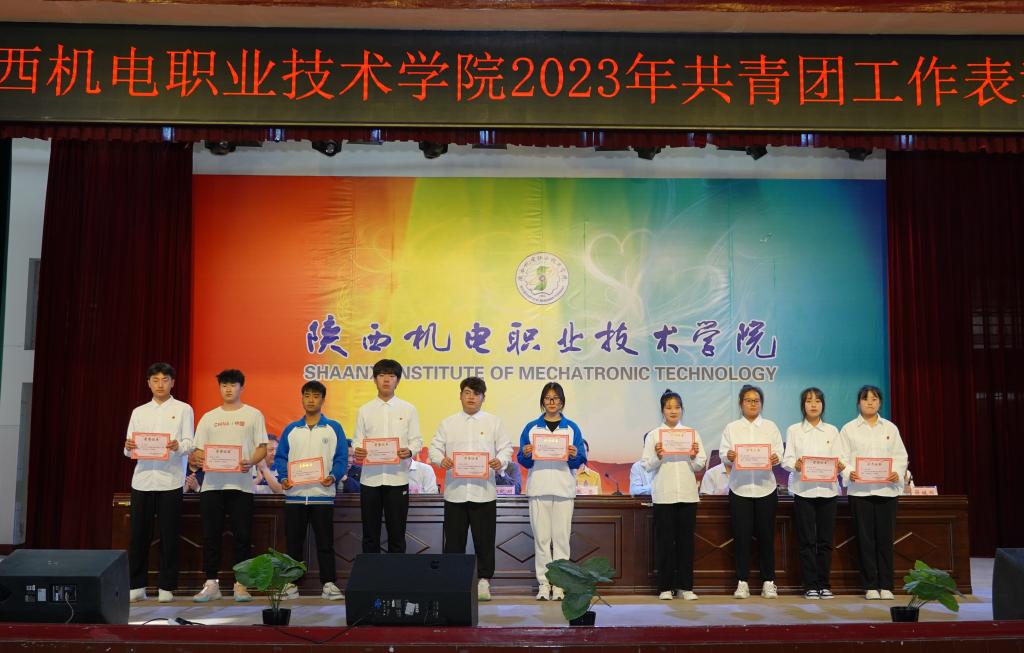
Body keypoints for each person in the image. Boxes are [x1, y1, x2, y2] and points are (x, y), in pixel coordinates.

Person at [429, 376, 513, 601]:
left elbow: (506, 448)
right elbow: (434, 448)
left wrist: (500, 461)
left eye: (476, 394)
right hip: (455, 493)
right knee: (453, 542)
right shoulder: (448, 423)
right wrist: (441, 460)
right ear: (460, 396)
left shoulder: (494, 422)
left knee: (484, 541)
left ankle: (484, 581)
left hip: (484, 493)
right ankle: (453, 582)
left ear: (483, 398)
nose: (471, 397)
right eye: (467, 392)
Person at [191, 369, 268, 602]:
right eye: (224, 385)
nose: (228, 389)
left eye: (233, 385)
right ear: (219, 388)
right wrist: (199, 458)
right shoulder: (209, 417)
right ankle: (211, 584)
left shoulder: (253, 415)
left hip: (241, 485)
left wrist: (250, 461)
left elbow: (262, 447)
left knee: (242, 536)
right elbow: (197, 450)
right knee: (210, 535)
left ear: (241, 388)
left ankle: (241, 584)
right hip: (212, 486)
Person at [123, 362, 194, 603]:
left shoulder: (183, 409)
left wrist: (178, 446)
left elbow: (190, 443)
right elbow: (128, 448)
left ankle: (166, 586)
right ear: (148, 383)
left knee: (169, 535)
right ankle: (136, 585)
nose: (160, 384)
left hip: (170, 481)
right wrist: (129, 446)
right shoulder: (139, 412)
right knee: (138, 536)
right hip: (142, 480)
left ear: (173, 382)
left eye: (165, 380)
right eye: (155, 380)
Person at [274, 381, 347, 601]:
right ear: (302, 399)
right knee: (293, 543)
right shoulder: (291, 429)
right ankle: (290, 584)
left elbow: (341, 458)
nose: (311, 400)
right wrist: (284, 478)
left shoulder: (333, 428)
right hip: (295, 497)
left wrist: (333, 476)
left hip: (322, 496)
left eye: (316, 396)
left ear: (323, 400)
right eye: (307, 395)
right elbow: (280, 457)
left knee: (325, 543)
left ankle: (329, 584)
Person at [517, 382, 586, 601]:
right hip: (538, 489)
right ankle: (544, 584)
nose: (552, 402)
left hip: (564, 490)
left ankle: (560, 585)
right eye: (548, 398)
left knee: (562, 540)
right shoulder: (532, 428)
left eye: (555, 398)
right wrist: (526, 452)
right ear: (542, 402)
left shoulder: (571, 428)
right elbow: (523, 460)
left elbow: (580, 459)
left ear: (562, 402)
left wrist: (574, 454)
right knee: (542, 540)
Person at [840, 385, 908, 601]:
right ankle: (870, 585)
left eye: (875, 398)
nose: (870, 402)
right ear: (858, 403)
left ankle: (886, 585)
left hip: (887, 492)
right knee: (865, 540)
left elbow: (900, 456)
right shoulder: (848, 429)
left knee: (885, 539)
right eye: (865, 398)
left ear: (880, 403)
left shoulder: (890, 428)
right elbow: (842, 458)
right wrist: (850, 472)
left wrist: (897, 472)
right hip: (860, 492)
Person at [720, 384, 784, 599]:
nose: (752, 404)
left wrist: (776, 457)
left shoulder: (770, 427)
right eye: (748, 400)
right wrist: (729, 455)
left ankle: (768, 582)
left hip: (766, 488)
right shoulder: (732, 428)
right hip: (740, 489)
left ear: (761, 404)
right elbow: (723, 453)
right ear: (741, 404)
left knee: (767, 537)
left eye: (756, 400)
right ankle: (742, 582)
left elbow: (779, 452)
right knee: (741, 538)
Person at [782, 387, 846, 600]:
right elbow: (786, 460)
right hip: (804, 491)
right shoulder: (794, 430)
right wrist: (796, 464)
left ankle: (824, 585)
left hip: (828, 491)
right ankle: (810, 585)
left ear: (823, 405)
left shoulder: (832, 431)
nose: (813, 404)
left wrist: (840, 465)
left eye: (818, 401)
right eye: (809, 401)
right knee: (807, 541)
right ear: (803, 405)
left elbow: (840, 459)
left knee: (825, 541)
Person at [642, 389, 706, 600]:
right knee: (665, 542)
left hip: (687, 495)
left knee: (686, 543)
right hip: (664, 495)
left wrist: (693, 456)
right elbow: (647, 465)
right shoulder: (654, 435)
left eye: (677, 407)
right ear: (662, 410)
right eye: (669, 407)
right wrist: (659, 456)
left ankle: (685, 587)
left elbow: (699, 464)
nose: (673, 411)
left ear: (682, 410)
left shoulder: (691, 434)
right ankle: (665, 587)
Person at [352, 359, 422, 553]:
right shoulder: (364, 410)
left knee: (397, 533)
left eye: (391, 376)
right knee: (370, 534)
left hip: (397, 478)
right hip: (370, 480)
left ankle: (395, 572)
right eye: (382, 375)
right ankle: (371, 572)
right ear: (375, 379)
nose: (386, 380)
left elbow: (416, 440)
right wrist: (358, 449)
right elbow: (358, 440)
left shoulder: (408, 409)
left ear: (397, 381)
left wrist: (409, 451)